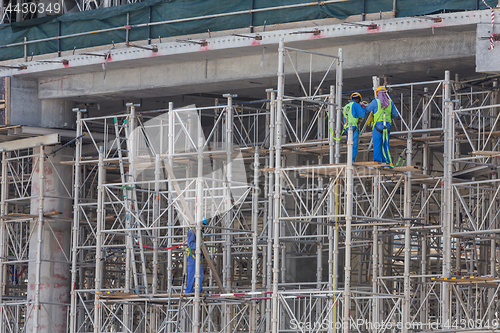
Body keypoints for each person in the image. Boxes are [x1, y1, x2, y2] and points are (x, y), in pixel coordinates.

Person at [366, 87, 399, 165]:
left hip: (378, 126)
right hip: (387, 126)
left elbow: (367, 109)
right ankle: (386, 161)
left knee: (377, 143)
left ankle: (377, 160)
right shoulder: (390, 103)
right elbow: (395, 115)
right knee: (385, 144)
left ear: (377, 93)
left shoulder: (375, 102)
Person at [185, 217, 207, 293]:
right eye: (203, 224)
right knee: (191, 275)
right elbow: (190, 244)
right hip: (192, 256)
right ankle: (188, 291)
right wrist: (199, 244)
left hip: (198, 257)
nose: (203, 226)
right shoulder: (192, 232)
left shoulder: (200, 233)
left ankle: (199, 291)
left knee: (200, 275)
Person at [343, 92, 366, 163]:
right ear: (358, 100)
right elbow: (362, 115)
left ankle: (349, 161)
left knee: (349, 146)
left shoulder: (346, 106)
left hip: (347, 129)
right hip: (353, 128)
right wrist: (362, 107)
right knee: (354, 147)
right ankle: (351, 162)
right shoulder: (356, 105)